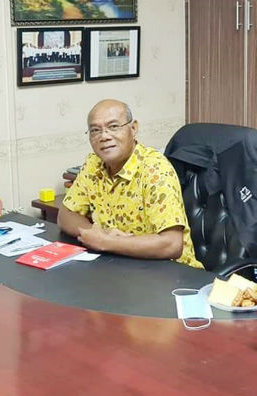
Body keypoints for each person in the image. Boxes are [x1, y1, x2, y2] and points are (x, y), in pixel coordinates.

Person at [57, 99, 203, 269]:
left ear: (133, 129)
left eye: (113, 127)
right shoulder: (93, 164)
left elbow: (172, 244)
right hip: (120, 265)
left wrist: (107, 242)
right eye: (95, 130)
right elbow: (65, 215)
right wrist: (97, 233)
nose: (104, 136)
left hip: (171, 274)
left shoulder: (154, 170)